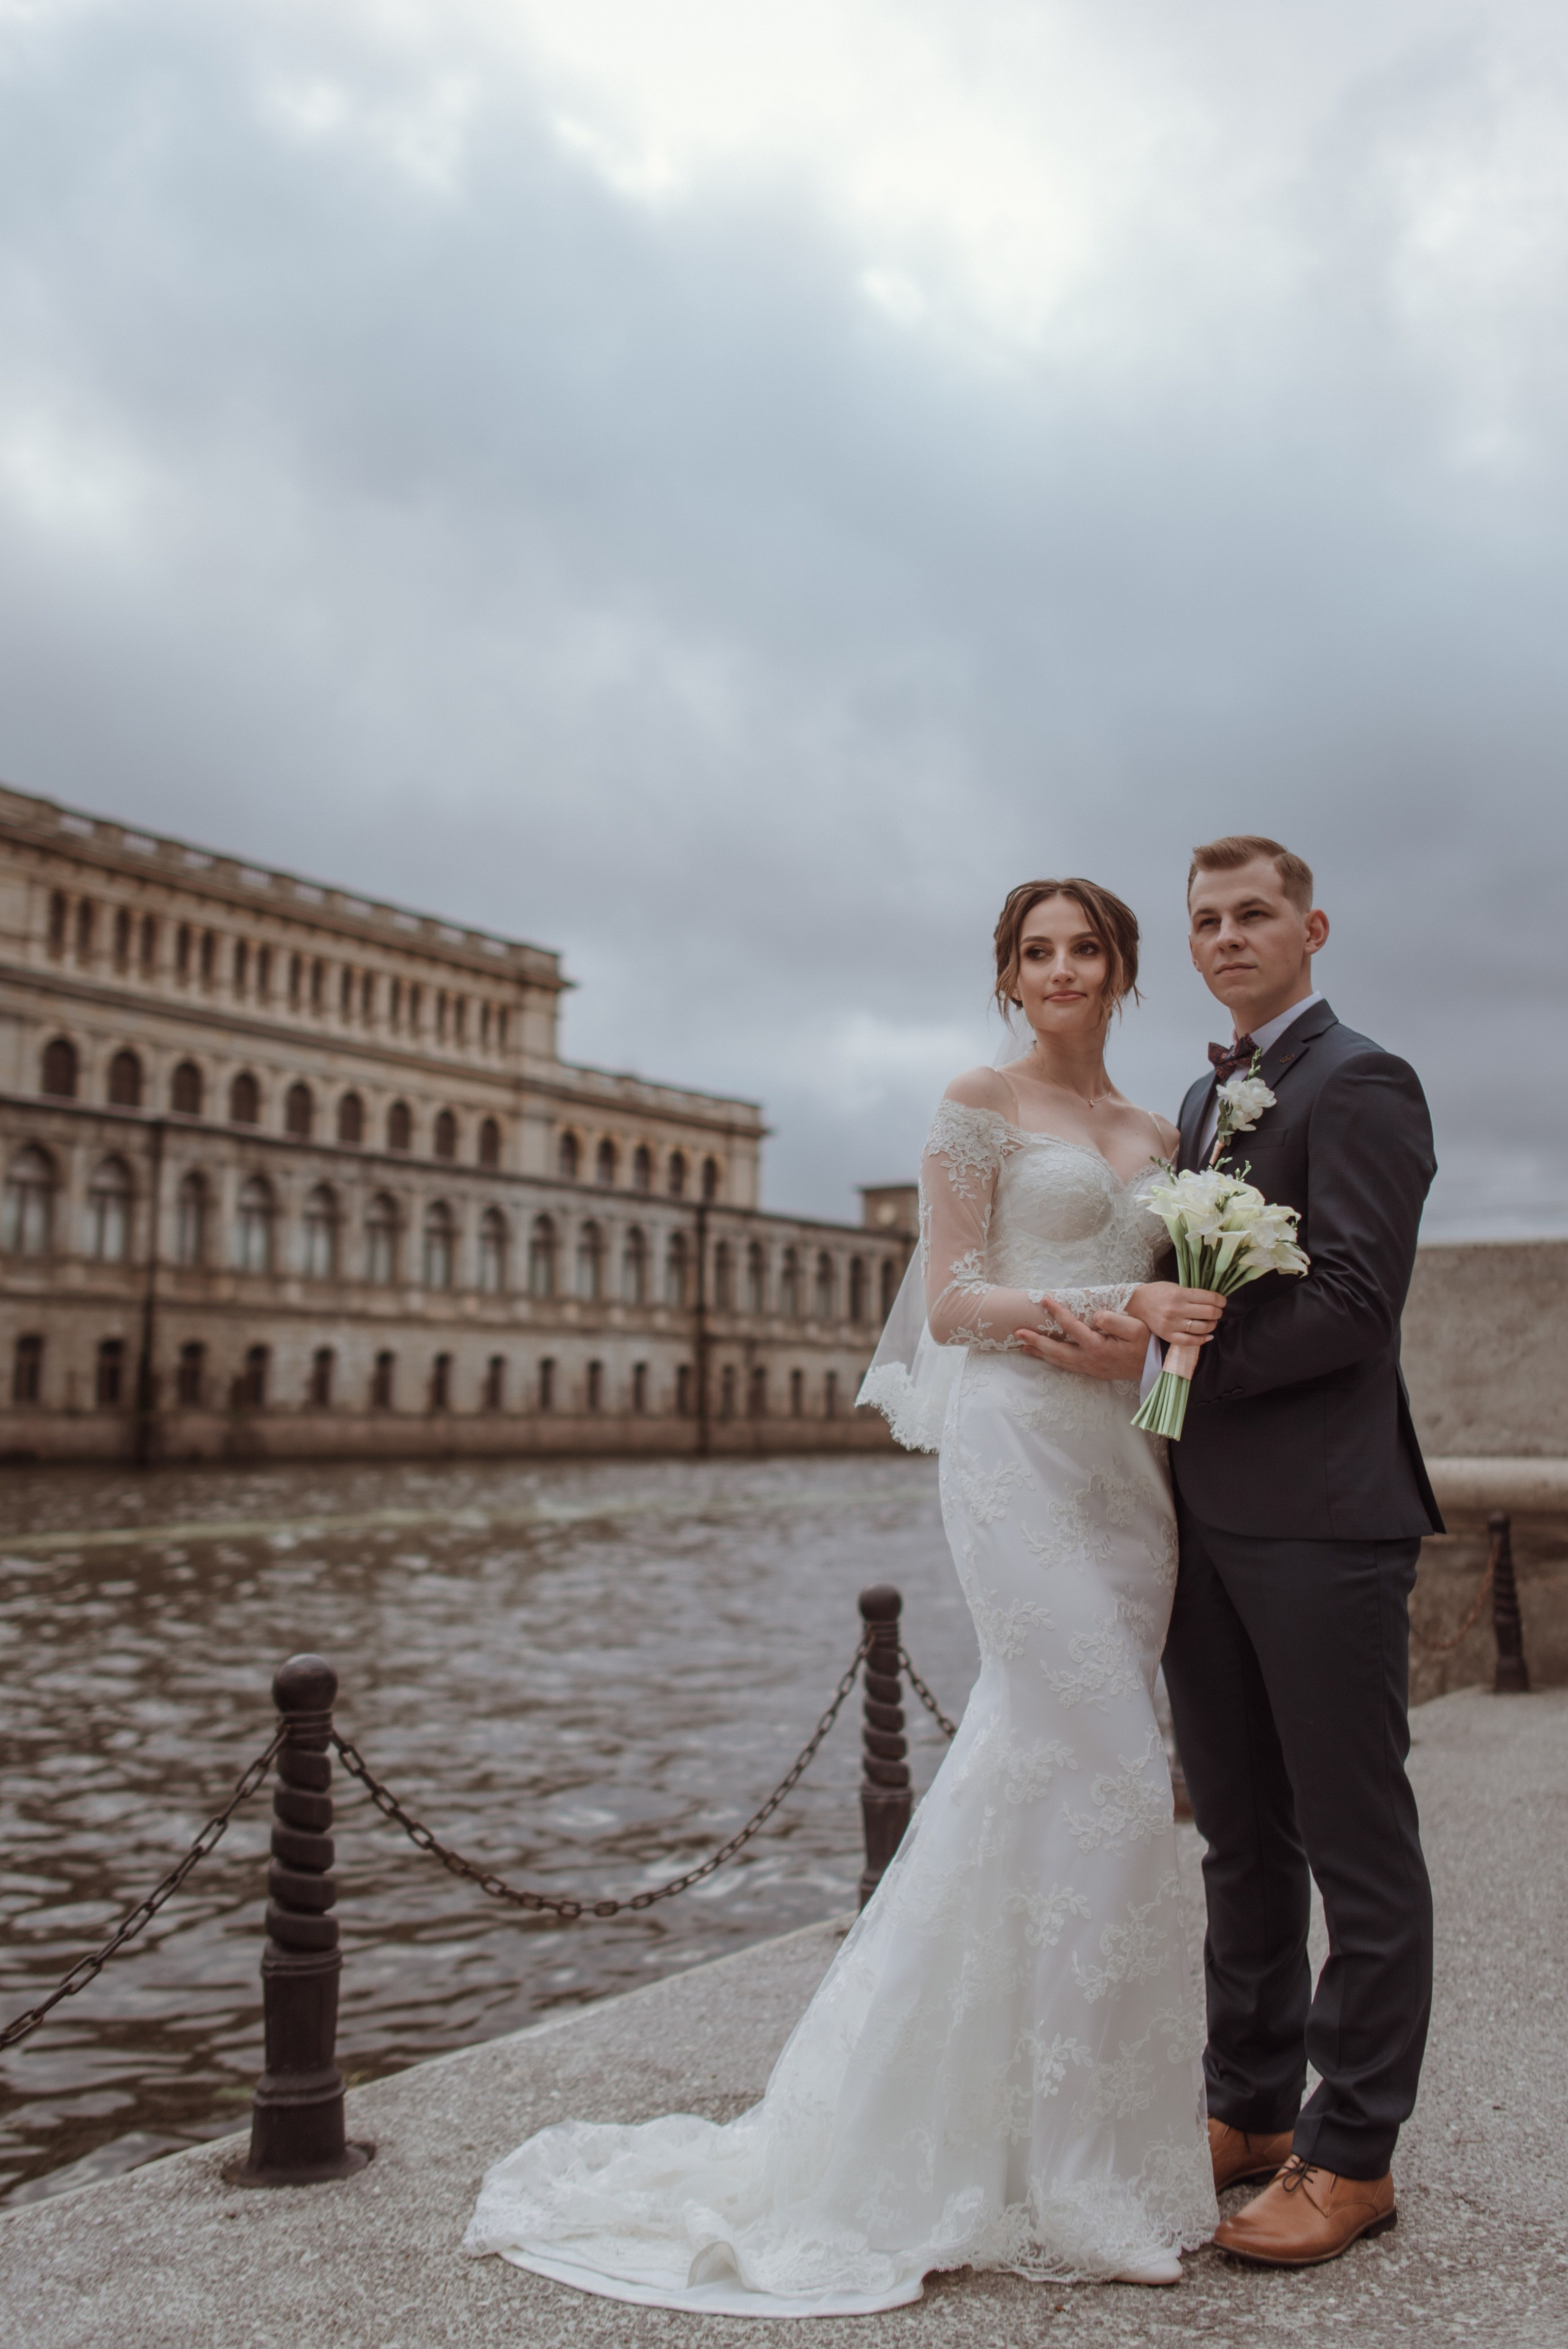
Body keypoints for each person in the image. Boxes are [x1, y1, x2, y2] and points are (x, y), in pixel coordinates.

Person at [463, 878, 1221, 2314]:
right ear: (1008, 977)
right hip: (1009, 1447)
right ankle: (1064, 2176)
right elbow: (945, 1302)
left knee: (1049, 1768)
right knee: (1112, 1767)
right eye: (1033, 951)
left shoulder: (1162, 1136)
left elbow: (1168, 1310)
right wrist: (1085, 1315)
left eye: (1084, 949)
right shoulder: (973, 1098)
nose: (1059, 968)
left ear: (1123, 972)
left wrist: (1158, 1325)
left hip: (1126, 1467)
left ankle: (1069, 2142)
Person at [1022, 835, 1440, 2269]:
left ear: (1309, 924)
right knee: (1241, 1842)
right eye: (1203, 919)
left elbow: (1350, 1304)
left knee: (1353, 1843)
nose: (1223, 935)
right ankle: (1248, 2105)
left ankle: (1350, 2151)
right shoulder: (1203, 1096)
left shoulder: (1364, 1080)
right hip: (1199, 1520)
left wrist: (1178, 1344)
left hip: (1326, 1519)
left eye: (1250, 913)